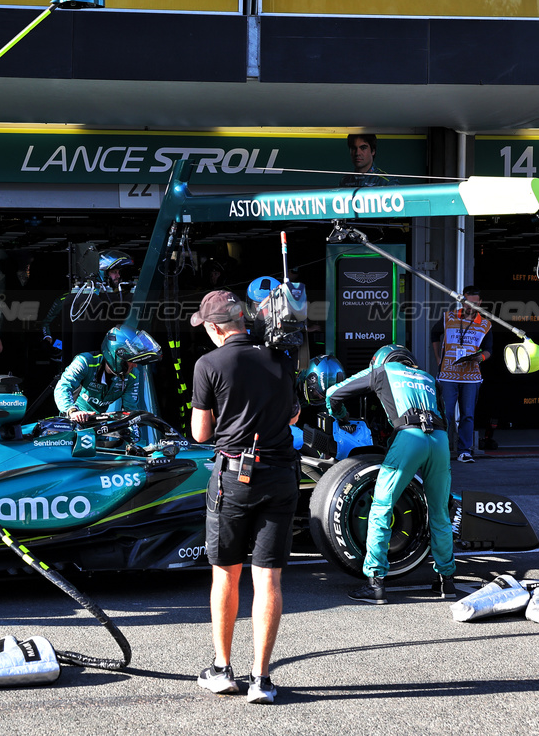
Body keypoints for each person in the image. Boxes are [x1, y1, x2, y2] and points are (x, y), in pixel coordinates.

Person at [189, 289, 298, 705]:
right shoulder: (281, 359)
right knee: (268, 577)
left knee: (226, 573)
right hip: (280, 474)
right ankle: (262, 679)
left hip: (234, 476)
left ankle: (221, 668)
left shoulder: (209, 364)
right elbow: (293, 414)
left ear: (217, 328)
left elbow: (200, 433)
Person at [326, 344, 456, 605]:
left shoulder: (383, 371)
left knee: (382, 507)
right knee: (440, 512)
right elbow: (445, 416)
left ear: (381, 360)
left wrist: (341, 417)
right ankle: (446, 583)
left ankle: (375, 584)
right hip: (440, 440)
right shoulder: (429, 377)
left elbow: (333, 394)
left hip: (409, 437)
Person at [431, 286, 492, 463]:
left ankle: (464, 451)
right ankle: (441, 451)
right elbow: (434, 334)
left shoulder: (485, 324)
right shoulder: (448, 317)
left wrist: (479, 358)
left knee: (468, 414)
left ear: (480, 302)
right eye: (466, 302)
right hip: (447, 376)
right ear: (461, 301)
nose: (470, 306)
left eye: (474, 302)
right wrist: (438, 358)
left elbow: (489, 350)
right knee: (445, 414)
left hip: (471, 377)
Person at [54, 325, 160, 424]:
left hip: (99, 427)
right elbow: (63, 386)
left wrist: (134, 437)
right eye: (131, 360)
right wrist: (72, 411)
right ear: (118, 357)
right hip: (72, 422)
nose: (135, 365)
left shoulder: (132, 375)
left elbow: (130, 409)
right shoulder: (85, 362)